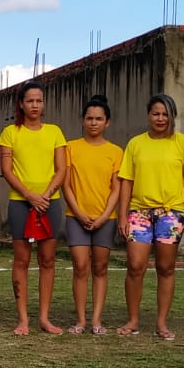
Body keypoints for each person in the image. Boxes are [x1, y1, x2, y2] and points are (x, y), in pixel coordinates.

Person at [116, 93, 184, 340]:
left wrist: (173, 197)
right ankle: (133, 320)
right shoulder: (135, 144)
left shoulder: (182, 143)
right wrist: (122, 215)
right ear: (148, 115)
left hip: (171, 214)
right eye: (156, 113)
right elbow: (126, 181)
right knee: (135, 266)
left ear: (172, 116)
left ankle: (162, 323)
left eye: (165, 114)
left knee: (165, 267)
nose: (160, 118)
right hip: (139, 212)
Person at [0, 81, 67, 335]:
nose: (35, 105)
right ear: (21, 104)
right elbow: (6, 170)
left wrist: (45, 196)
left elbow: (62, 169)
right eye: (30, 101)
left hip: (50, 202)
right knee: (22, 260)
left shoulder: (55, 132)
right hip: (20, 203)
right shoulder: (10, 133)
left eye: (39, 100)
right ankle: (23, 319)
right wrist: (29, 196)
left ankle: (45, 318)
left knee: (48, 259)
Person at [61, 95, 123, 335]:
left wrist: (104, 216)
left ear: (107, 122)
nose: (94, 123)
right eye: (89, 118)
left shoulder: (116, 152)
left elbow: (116, 188)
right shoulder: (70, 148)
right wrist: (78, 212)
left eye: (99, 119)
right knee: (80, 266)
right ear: (83, 120)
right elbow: (66, 184)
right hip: (76, 216)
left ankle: (96, 320)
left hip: (105, 219)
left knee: (101, 268)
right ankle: (80, 320)